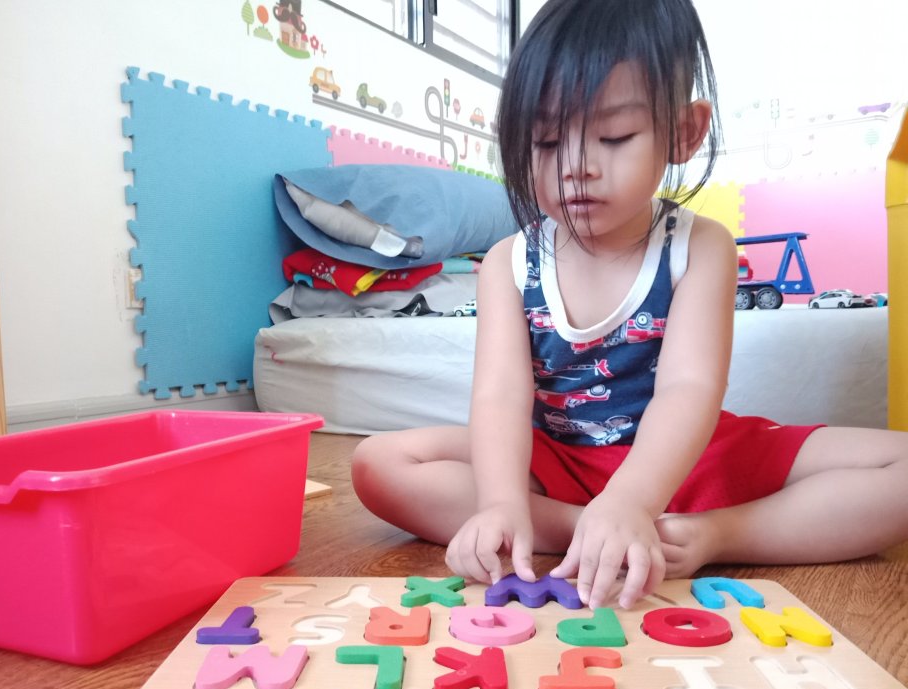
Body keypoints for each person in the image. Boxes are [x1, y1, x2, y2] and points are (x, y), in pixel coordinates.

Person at [352, 0, 908, 611]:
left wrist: (633, 500)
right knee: (379, 462)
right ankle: (586, 530)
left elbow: (688, 390)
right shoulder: (509, 261)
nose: (576, 168)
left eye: (613, 137)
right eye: (546, 141)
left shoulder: (701, 247)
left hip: (685, 457)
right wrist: (502, 504)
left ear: (684, 132)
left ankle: (702, 535)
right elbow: (501, 396)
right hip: (561, 459)